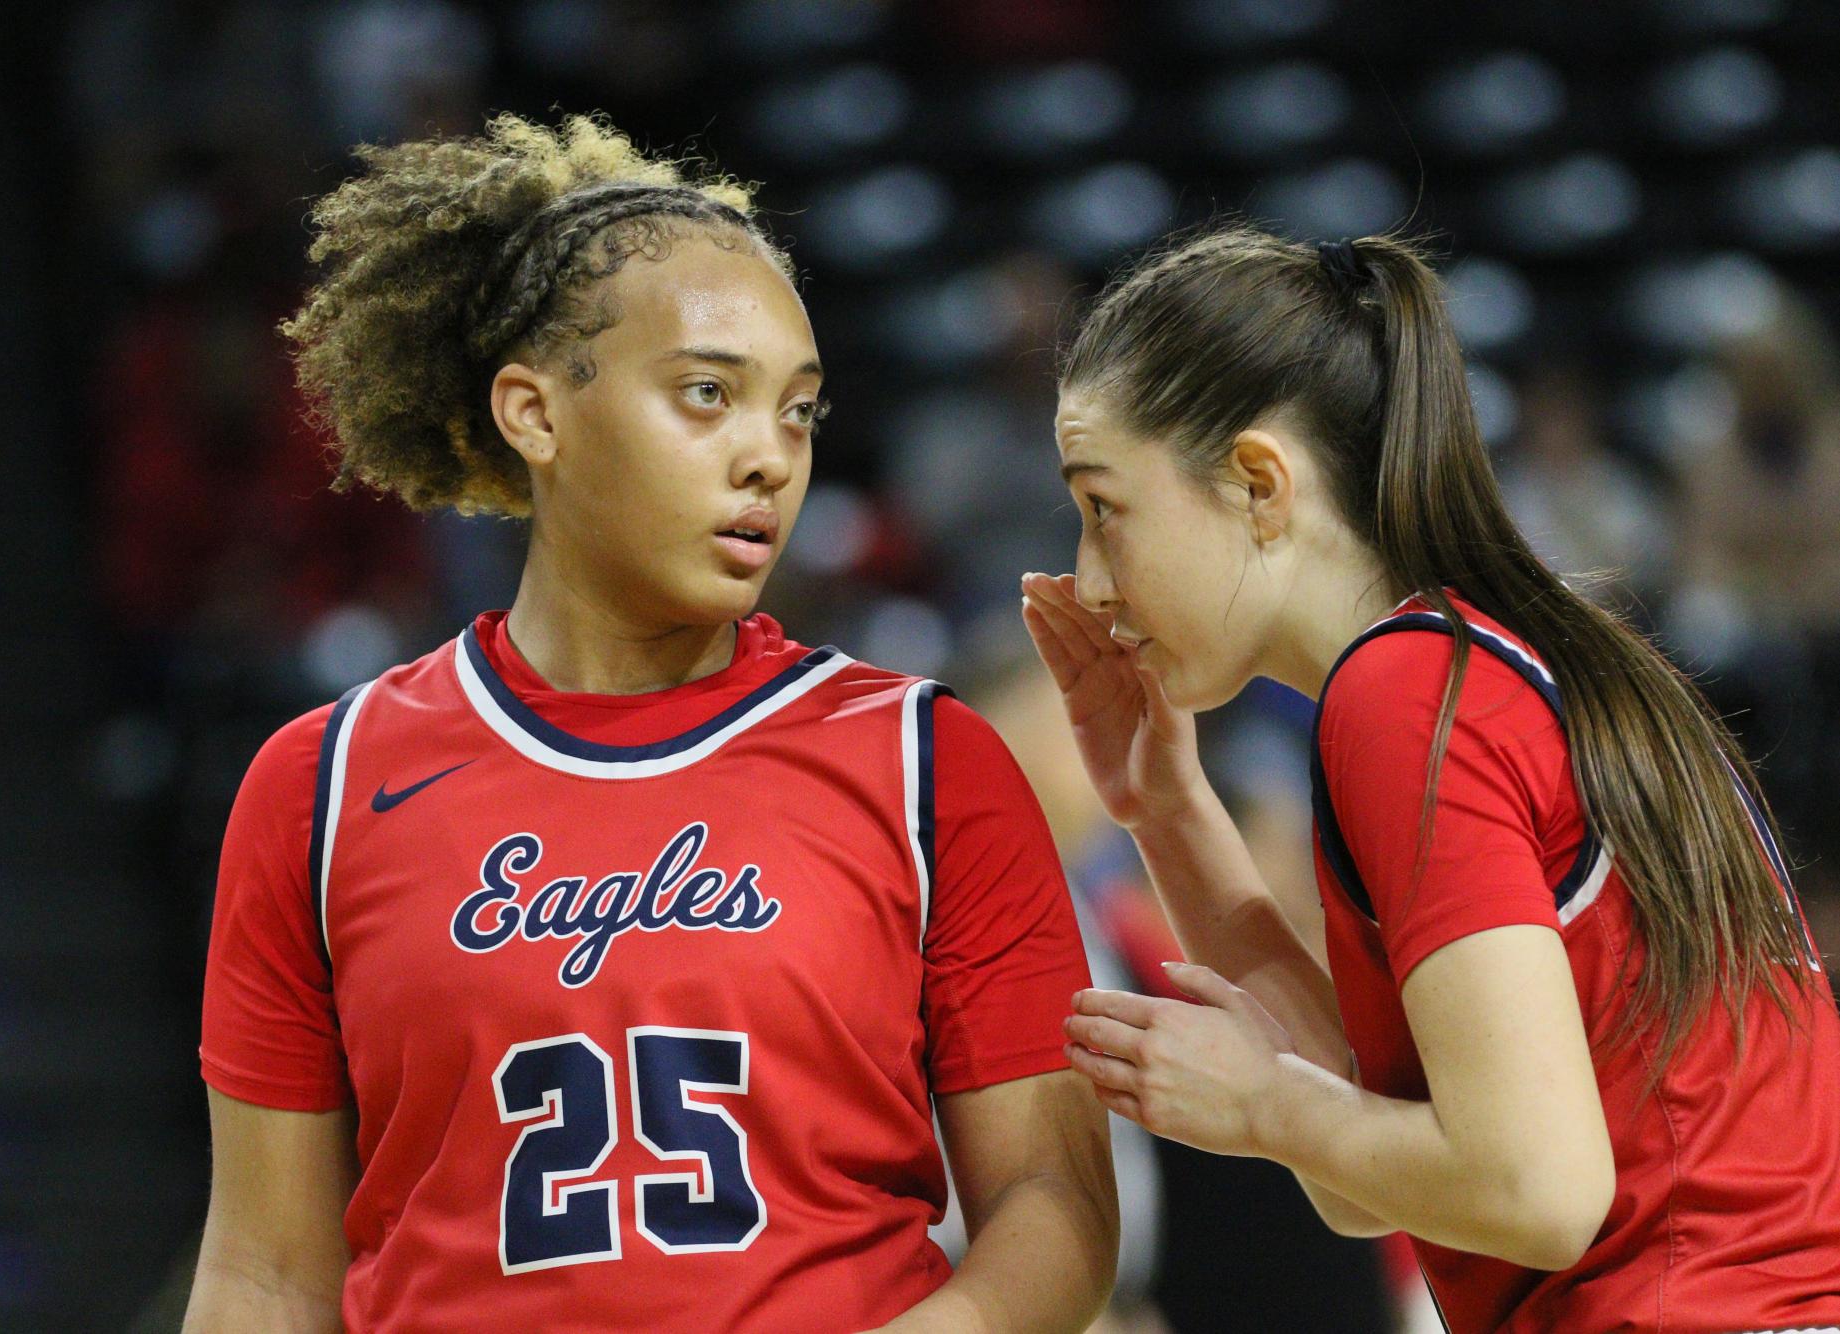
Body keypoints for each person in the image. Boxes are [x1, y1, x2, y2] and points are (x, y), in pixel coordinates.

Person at [185, 113, 1117, 1332]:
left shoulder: (926, 760)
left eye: (798, 411)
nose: (768, 458)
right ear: (534, 412)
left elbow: (1056, 1203)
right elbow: (263, 1271)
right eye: (706, 394)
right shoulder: (318, 783)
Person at [1022, 226, 1840, 1332]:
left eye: (1103, 508)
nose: (1090, 579)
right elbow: (1368, 1173)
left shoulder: (1405, 692)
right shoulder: (1496, 653)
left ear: (1261, 481)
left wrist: (1263, 1104)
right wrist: (1167, 808)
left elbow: (1534, 1190)